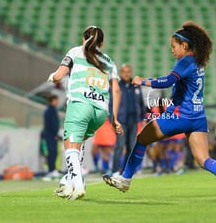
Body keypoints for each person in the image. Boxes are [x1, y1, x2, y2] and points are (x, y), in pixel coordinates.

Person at [103, 21, 216, 199]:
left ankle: (125, 180)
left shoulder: (185, 62)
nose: (172, 50)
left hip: (180, 115)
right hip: (198, 116)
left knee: (141, 139)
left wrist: (143, 81)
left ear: (184, 45)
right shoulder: (198, 62)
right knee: (203, 159)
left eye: (174, 46)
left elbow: (168, 81)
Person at [47, 25, 122, 200]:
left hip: (80, 104)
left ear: (84, 38)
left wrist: (51, 77)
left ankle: (79, 185)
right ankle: (69, 181)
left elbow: (58, 76)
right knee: (78, 144)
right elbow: (116, 91)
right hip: (101, 111)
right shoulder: (109, 61)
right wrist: (115, 118)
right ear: (101, 43)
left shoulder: (75, 52)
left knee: (70, 146)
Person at [111, 64, 145, 175]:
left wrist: (143, 118)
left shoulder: (136, 86)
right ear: (121, 73)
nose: (126, 73)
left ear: (131, 72)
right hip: (121, 120)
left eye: (128, 71)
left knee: (131, 147)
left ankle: (126, 170)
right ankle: (115, 170)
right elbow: (110, 104)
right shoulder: (116, 86)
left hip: (133, 120)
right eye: (124, 71)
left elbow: (141, 102)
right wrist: (113, 119)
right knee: (120, 146)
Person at [43, 95, 61, 178]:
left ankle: (53, 169)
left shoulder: (50, 109)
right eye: (56, 100)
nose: (57, 102)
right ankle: (51, 170)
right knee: (52, 152)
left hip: (51, 134)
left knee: (54, 152)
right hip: (50, 134)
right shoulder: (51, 110)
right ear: (52, 100)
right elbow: (52, 123)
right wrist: (55, 134)